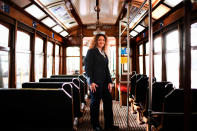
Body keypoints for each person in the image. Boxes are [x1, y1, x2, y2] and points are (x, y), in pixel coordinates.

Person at [84, 34, 119, 131]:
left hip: (105, 84)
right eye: (99, 40)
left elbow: (106, 69)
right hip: (95, 84)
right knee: (95, 105)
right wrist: (91, 82)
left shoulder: (104, 53)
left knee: (108, 104)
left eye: (103, 40)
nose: (102, 42)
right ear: (96, 41)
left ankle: (109, 125)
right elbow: (87, 69)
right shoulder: (91, 52)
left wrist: (110, 82)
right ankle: (96, 126)